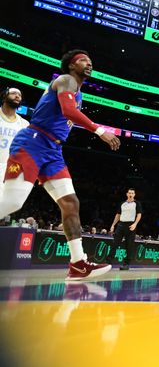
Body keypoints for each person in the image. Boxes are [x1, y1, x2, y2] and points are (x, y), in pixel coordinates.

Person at [0, 50, 120, 280]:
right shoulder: (65, 80)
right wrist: (99, 130)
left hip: (54, 150)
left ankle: (78, 264)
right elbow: (67, 111)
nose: (89, 63)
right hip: (34, 142)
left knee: (70, 203)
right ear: (71, 65)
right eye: (83, 60)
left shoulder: (78, 91)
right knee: (13, 202)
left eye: (90, 60)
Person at [0, 87, 29, 185]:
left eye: (19, 95)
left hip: (9, 169)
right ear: (4, 97)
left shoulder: (25, 124)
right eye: (13, 93)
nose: (17, 96)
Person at [109, 188, 142, 270]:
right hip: (121, 224)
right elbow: (118, 215)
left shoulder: (137, 203)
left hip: (131, 225)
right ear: (127, 194)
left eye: (132, 193)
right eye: (129, 193)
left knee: (129, 245)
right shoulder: (122, 203)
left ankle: (126, 264)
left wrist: (135, 224)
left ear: (134, 195)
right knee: (115, 243)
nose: (131, 194)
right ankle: (108, 262)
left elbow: (139, 214)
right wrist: (113, 225)